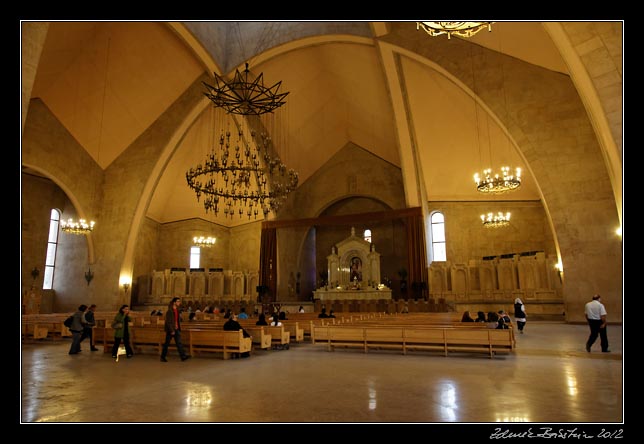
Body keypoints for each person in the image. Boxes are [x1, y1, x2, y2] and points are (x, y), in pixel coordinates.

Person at [160, 297, 191, 362]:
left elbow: (177, 319)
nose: (179, 303)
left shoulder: (177, 310)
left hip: (176, 329)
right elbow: (168, 322)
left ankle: (183, 356)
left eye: (179, 301)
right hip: (171, 330)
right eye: (178, 301)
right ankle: (162, 357)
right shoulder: (170, 311)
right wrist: (172, 330)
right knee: (167, 343)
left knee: (179, 343)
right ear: (174, 302)